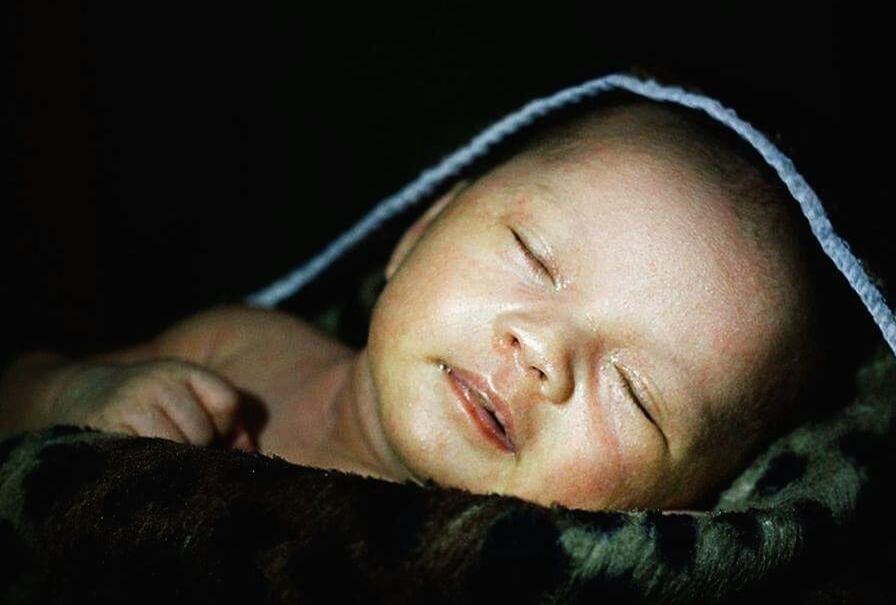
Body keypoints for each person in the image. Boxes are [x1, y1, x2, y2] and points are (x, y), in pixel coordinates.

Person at [0, 95, 836, 512]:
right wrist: (72, 400)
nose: (544, 352)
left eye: (636, 395)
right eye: (532, 257)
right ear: (419, 233)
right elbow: (17, 391)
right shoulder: (239, 350)